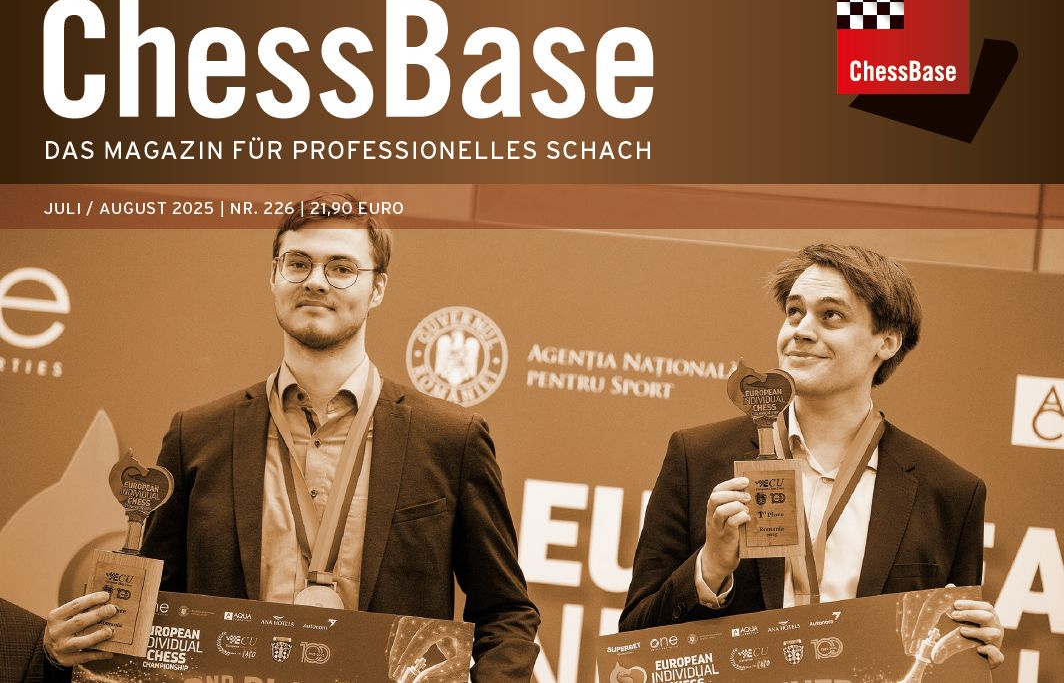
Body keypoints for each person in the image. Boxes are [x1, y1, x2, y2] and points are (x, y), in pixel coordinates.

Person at [44, 193, 540, 682]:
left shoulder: (450, 440)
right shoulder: (195, 436)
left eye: (342, 268)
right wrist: (72, 647)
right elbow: (152, 612)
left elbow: (506, 612)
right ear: (274, 276)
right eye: (298, 263)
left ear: (378, 288)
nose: (316, 281)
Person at [620, 244, 1004, 669]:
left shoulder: (950, 493)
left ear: (887, 341)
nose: (801, 330)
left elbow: (939, 657)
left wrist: (970, 652)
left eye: (831, 315)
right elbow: (635, 644)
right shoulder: (698, 458)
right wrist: (709, 568)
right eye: (794, 312)